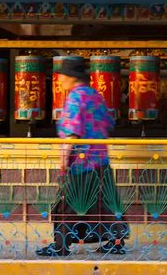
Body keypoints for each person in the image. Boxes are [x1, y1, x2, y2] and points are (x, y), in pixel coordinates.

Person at [36, 57, 127, 256]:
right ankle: (116, 242)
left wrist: (63, 161)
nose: (59, 81)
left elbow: (72, 132)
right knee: (105, 203)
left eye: (61, 76)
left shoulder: (76, 97)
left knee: (67, 203)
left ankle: (60, 246)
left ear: (71, 78)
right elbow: (108, 124)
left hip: (81, 162)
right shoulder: (95, 95)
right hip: (100, 159)